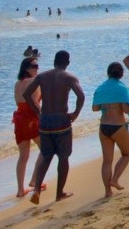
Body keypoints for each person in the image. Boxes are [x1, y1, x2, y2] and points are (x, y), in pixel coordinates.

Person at [23, 50, 85, 205]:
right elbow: (81, 96)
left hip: (45, 120)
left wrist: (38, 111)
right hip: (61, 120)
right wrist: (76, 113)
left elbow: (26, 94)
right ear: (67, 62)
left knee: (46, 155)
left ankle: (37, 190)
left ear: (54, 61)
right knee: (63, 157)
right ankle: (59, 193)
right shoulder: (69, 77)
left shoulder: (42, 76)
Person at [92, 62, 129, 198]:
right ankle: (115, 179)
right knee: (126, 153)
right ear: (121, 74)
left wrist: (108, 105)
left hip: (104, 127)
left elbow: (95, 108)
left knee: (107, 161)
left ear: (108, 73)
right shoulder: (122, 88)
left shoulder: (101, 87)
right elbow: (127, 110)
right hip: (118, 126)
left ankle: (108, 192)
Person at [13, 57, 45, 198]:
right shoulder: (34, 82)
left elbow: (18, 102)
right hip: (32, 118)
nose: (37, 69)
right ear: (26, 68)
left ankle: (20, 189)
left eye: (37, 66)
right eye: (34, 66)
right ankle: (34, 180)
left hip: (19, 118)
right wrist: (42, 117)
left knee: (23, 156)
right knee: (45, 149)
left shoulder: (17, 83)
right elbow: (35, 103)